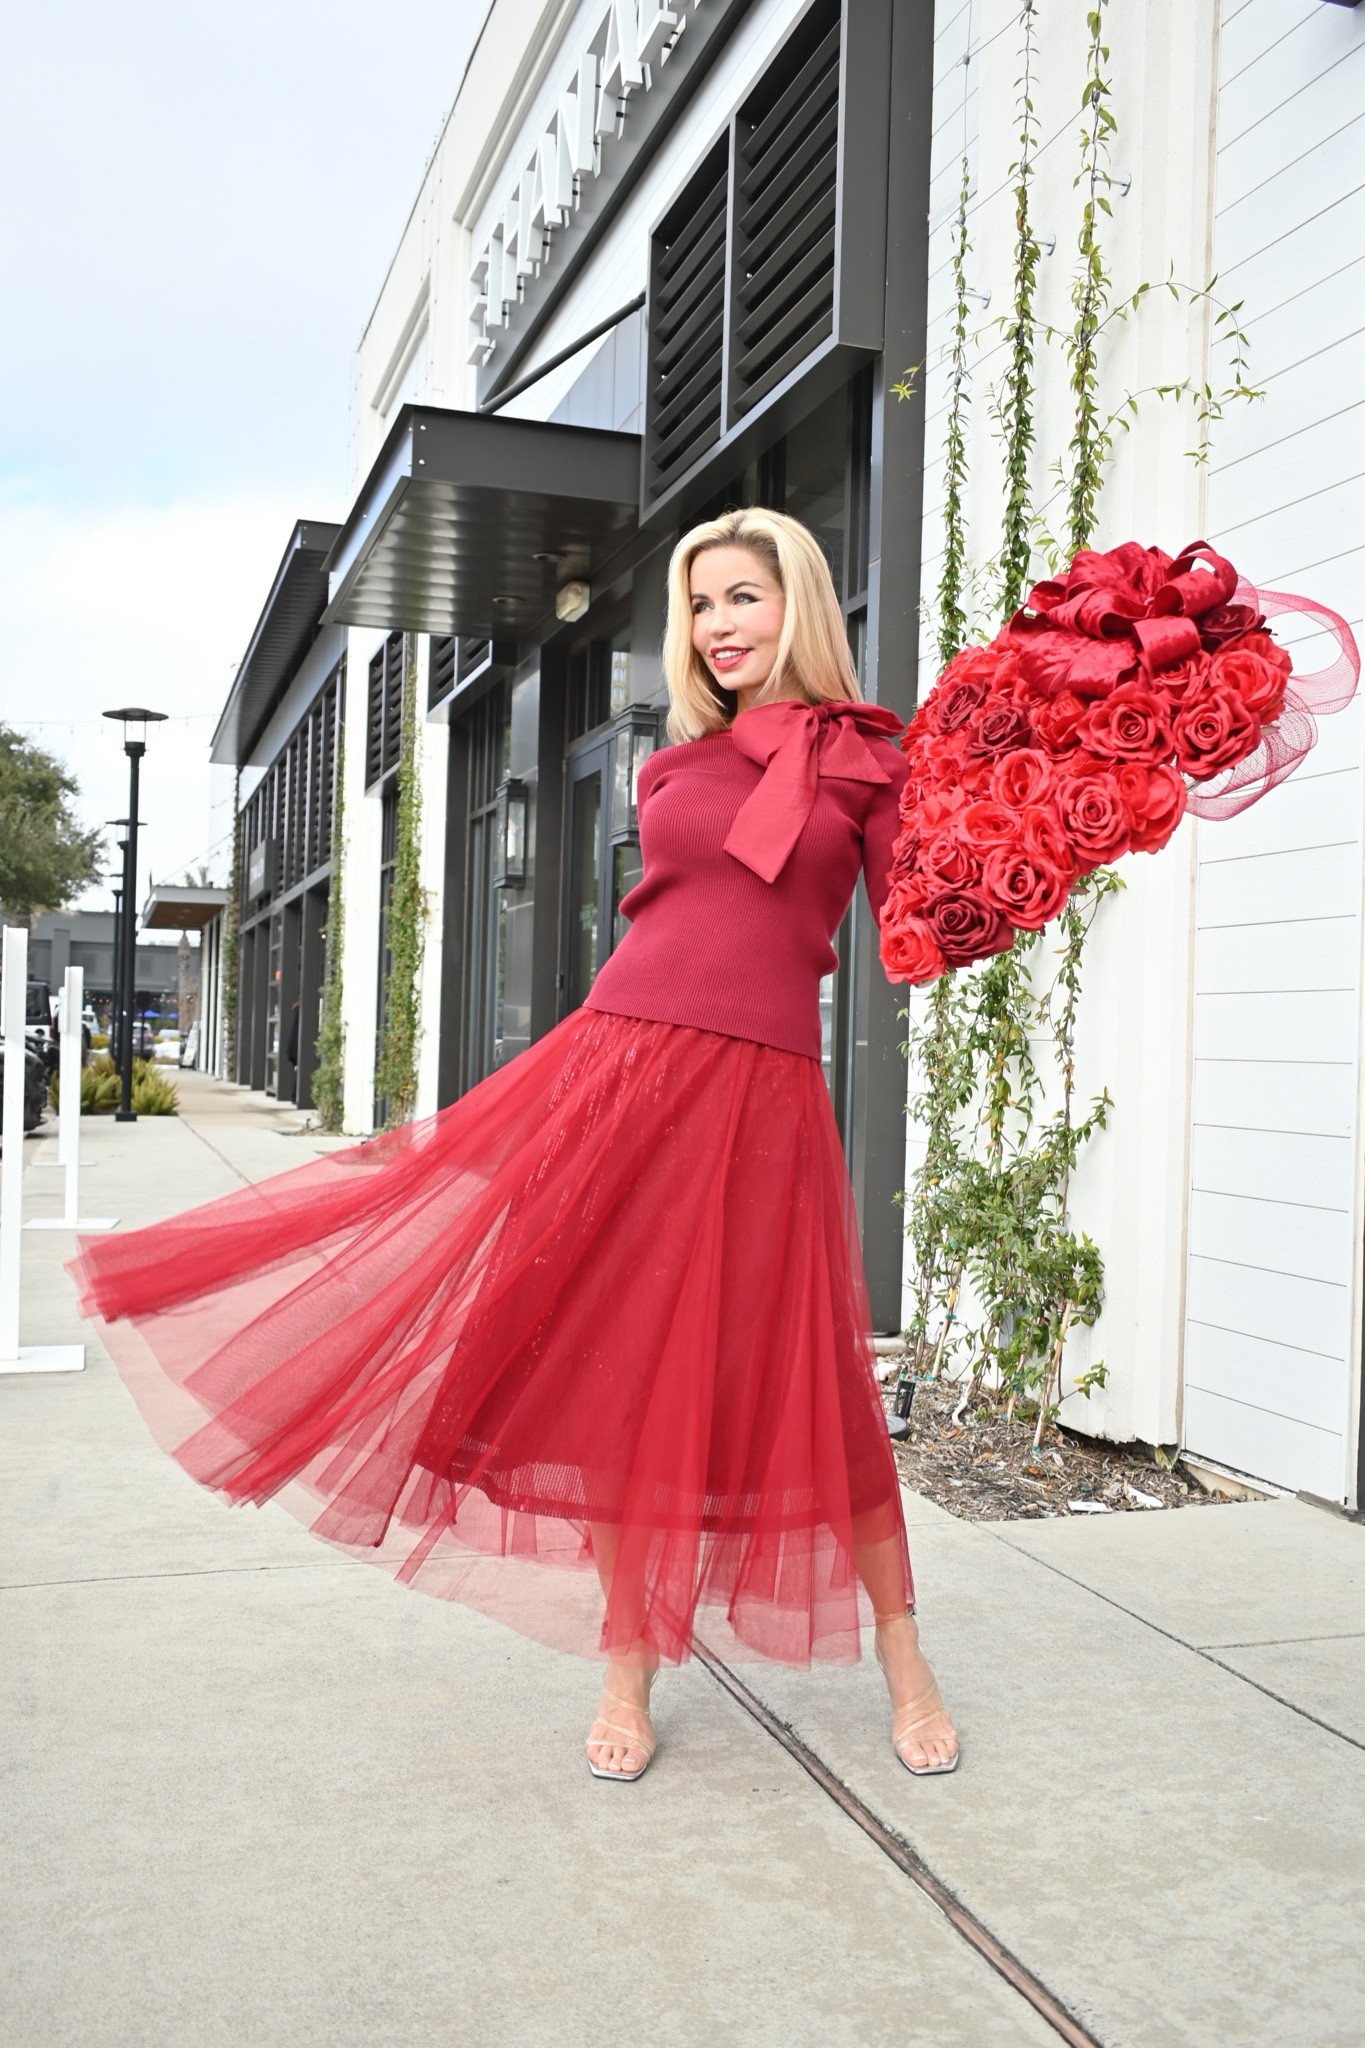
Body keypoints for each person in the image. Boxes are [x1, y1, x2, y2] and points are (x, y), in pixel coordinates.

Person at [71, 507, 959, 1784]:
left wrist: (1022, 834)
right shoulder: (669, 771)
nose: (718, 628)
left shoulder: (872, 766)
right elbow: (663, 929)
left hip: (763, 1101)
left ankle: (904, 1656)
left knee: (816, 1387)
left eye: (744, 599)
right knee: (607, 1376)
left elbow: (916, 932)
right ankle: (625, 1658)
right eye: (702, 606)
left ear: (801, 604)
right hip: (620, 1072)